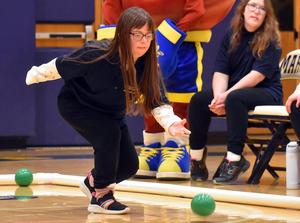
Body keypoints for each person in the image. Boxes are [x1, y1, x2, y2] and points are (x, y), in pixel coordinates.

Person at [25, 7, 190, 214]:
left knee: (130, 165)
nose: (143, 40)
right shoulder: (97, 53)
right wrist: (34, 75)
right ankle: (101, 195)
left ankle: (92, 181)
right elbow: (61, 65)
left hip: (111, 113)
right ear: (122, 34)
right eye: (137, 34)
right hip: (77, 105)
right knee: (108, 135)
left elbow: (158, 101)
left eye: (148, 35)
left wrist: (172, 123)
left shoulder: (149, 67)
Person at [102, 0, 236, 180]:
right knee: (146, 91)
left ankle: (177, 147)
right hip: (141, 38)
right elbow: (112, 5)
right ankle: (153, 145)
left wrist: (172, 33)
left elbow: (196, 9)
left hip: (183, 39)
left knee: (181, 93)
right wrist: (118, 35)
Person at [188, 0, 282, 184]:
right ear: (243, 10)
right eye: (252, 6)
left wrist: (227, 96)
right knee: (199, 100)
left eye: (262, 9)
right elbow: (221, 71)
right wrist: (218, 98)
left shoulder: (271, 39)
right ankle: (196, 158)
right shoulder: (231, 35)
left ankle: (235, 158)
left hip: (267, 92)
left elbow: (257, 76)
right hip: (235, 93)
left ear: (266, 16)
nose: (256, 11)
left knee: (235, 98)